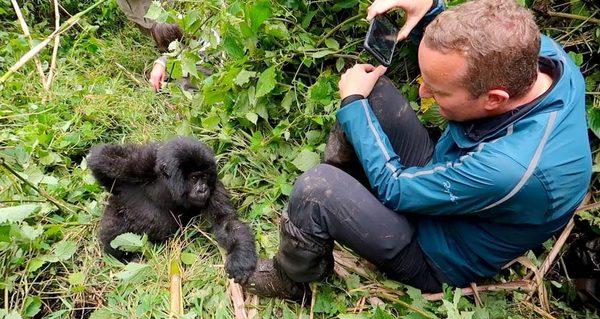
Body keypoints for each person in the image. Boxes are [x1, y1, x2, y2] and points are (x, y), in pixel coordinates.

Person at [243, 0, 592, 300]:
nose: (423, 92)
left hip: (434, 255)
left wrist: (351, 103)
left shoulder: (511, 168)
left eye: (438, 91)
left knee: (316, 190)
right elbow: (475, 43)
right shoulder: (541, 58)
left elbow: (397, 189)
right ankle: (348, 201)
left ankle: (290, 281)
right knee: (373, 91)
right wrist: (429, 10)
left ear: (494, 99)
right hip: (455, 185)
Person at [116, 0, 183, 91]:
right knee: (151, 29)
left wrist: (162, 63)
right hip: (137, 10)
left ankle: (174, 63)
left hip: (158, 9)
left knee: (169, 29)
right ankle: (167, 59)